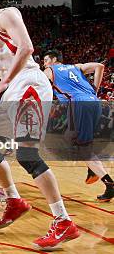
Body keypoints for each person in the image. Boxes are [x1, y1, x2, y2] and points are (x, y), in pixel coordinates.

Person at [0, 0, 79, 250]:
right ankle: (14, 200)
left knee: (27, 155)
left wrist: (4, 82)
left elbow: (27, 48)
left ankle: (63, 221)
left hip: (28, 83)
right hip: (15, 88)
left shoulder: (6, 14)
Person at [42, 50, 112, 202]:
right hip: (94, 101)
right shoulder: (76, 66)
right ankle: (92, 169)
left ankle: (109, 183)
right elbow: (99, 66)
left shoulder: (49, 70)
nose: (44, 63)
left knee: (79, 146)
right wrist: (95, 89)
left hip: (78, 104)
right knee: (77, 140)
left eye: (46, 60)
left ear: (54, 60)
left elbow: (40, 84)